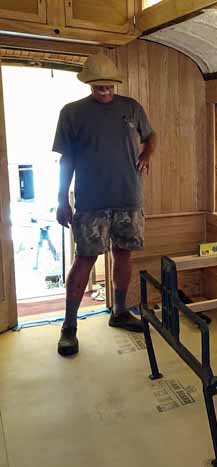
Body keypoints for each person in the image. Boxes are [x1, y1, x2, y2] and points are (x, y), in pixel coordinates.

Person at [52, 53, 157, 357]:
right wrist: (62, 199)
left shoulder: (132, 108)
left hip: (129, 198)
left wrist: (147, 154)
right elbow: (66, 160)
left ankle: (120, 311)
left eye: (110, 86)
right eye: (100, 87)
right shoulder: (72, 113)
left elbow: (151, 136)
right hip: (90, 202)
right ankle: (69, 327)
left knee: (124, 255)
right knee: (84, 260)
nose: (106, 92)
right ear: (89, 85)